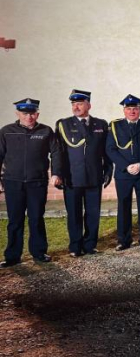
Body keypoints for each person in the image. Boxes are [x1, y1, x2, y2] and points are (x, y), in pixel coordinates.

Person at [0, 99, 63, 267]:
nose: (29, 117)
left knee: (36, 218)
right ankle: (12, 256)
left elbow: (56, 153)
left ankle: (39, 253)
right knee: (15, 220)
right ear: (18, 114)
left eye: (32, 113)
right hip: (13, 182)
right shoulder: (6, 131)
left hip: (37, 183)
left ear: (37, 114)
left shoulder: (46, 131)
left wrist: (55, 173)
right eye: (25, 113)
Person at [55, 90, 113, 257]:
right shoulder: (63, 124)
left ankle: (90, 245)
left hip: (94, 177)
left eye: (79, 103)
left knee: (93, 214)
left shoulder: (101, 124)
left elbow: (105, 151)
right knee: (74, 214)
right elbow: (58, 152)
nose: (76, 107)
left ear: (89, 105)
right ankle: (75, 247)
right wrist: (58, 173)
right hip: (72, 178)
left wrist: (108, 170)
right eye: (73, 104)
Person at [106, 94, 140, 250]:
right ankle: (123, 240)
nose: (132, 111)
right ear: (124, 110)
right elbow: (111, 150)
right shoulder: (114, 126)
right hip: (123, 173)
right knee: (123, 206)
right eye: (129, 109)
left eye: (135, 108)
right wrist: (126, 166)